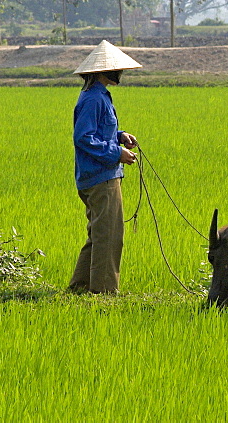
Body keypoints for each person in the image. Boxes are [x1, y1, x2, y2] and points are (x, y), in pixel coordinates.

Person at [67, 40, 142, 294]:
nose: (119, 73)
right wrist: (116, 153)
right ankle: (104, 293)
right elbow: (84, 138)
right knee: (109, 237)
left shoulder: (98, 96)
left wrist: (120, 136)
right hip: (101, 178)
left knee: (98, 235)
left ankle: (79, 287)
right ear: (101, 71)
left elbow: (98, 130)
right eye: (115, 68)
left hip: (98, 175)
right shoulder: (94, 99)